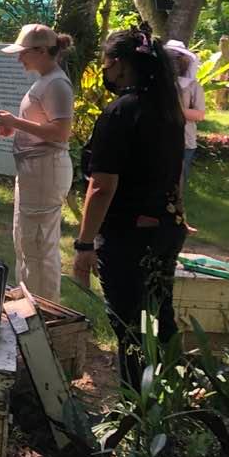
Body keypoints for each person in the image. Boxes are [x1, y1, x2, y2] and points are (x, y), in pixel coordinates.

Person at [72, 24, 186, 390]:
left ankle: (139, 405)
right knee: (159, 312)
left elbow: (102, 186)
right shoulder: (168, 110)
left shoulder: (121, 113)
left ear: (120, 64)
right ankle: (171, 396)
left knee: (130, 324)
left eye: (106, 62)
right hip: (166, 226)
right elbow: (174, 171)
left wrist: (85, 244)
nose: (104, 70)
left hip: (128, 234)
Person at [0, 24, 74, 303]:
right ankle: (27, 300)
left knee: (38, 245)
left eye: (23, 53)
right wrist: (14, 128)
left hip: (45, 170)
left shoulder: (57, 83)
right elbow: (42, 125)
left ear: (40, 51)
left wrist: (14, 122)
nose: (19, 58)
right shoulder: (45, 81)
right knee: (24, 239)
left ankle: (43, 311)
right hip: (33, 170)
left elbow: (61, 132)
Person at [164, 40, 206, 192]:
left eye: (176, 58)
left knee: (178, 183)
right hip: (160, 138)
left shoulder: (193, 86)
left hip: (185, 140)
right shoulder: (159, 84)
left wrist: (174, 109)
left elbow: (200, 114)